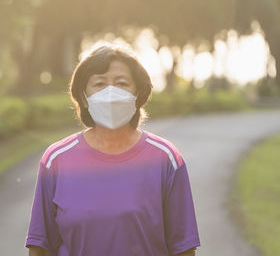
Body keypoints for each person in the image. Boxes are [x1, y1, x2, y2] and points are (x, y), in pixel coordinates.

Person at [25, 44, 201, 256]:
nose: (110, 93)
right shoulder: (56, 160)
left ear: (138, 93)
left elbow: (183, 247)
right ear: (83, 96)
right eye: (99, 84)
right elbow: (39, 248)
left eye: (122, 83)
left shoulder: (166, 159)